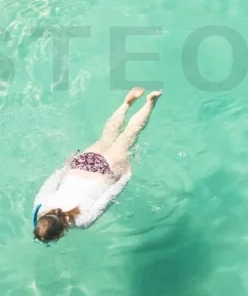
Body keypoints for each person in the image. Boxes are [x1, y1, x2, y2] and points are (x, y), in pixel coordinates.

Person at [31, 87, 163, 245]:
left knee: (129, 135)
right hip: (80, 166)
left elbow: (107, 198)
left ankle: (150, 102)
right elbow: (50, 183)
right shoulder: (39, 207)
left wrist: (125, 178)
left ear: (60, 234)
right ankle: (125, 104)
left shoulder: (82, 222)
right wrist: (65, 167)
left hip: (103, 176)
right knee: (108, 135)